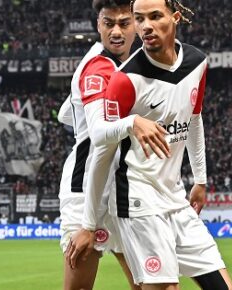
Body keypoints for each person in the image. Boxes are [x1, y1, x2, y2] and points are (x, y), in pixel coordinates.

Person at [69, 0, 232, 289]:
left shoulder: (197, 62)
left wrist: (201, 180)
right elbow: (101, 152)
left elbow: (194, 118)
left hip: (175, 196)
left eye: (155, 16)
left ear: (176, 17)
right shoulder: (124, 80)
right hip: (137, 198)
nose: (146, 26)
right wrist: (89, 224)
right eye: (140, 18)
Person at [56, 1, 164, 289]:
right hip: (85, 192)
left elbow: (64, 113)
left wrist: (81, 107)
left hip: (119, 189)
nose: (116, 31)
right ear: (98, 24)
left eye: (124, 23)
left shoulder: (128, 66)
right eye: (108, 23)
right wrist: (132, 123)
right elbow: (99, 131)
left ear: (136, 25)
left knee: (153, 283)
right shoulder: (97, 67)